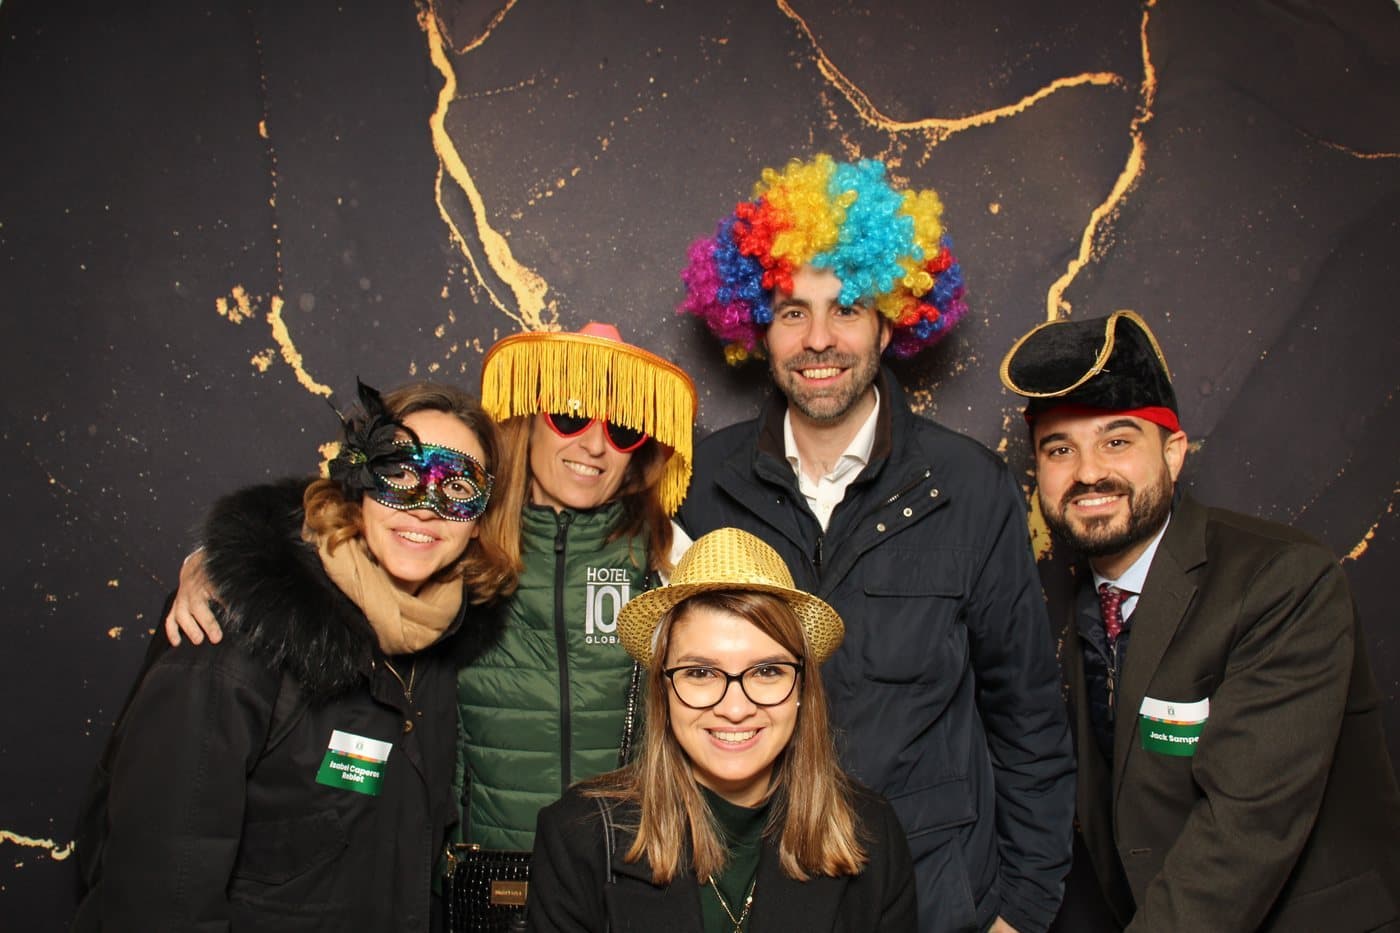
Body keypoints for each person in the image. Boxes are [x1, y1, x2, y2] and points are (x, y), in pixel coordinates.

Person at [676, 153, 1075, 933]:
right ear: (757, 324)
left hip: (937, 900)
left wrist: (1020, 914)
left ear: (891, 320)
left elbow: (1028, 718)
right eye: (792, 311)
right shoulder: (700, 483)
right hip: (753, 896)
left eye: (847, 307)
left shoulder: (970, 487)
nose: (818, 339)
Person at [164, 322, 698, 851]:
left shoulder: (665, 554)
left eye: (623, 429)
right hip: (475, 880)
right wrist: (219, 558)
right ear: (531, 421)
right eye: (572, 416)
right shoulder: (465, 530)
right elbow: (361, 510)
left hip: (619, 872)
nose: (594, 446)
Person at [999, 310, 1400, 932]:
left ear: (1174, 452)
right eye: (1059, 449)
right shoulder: (1077, 605)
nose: (1086, 473)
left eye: (1117, 441)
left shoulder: (1281, 580)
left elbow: (1247, 828)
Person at [73, 381, 516, 931]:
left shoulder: (437, 648)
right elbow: (155, 895)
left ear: (478, 520)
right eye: (399, 472)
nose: (426, 507)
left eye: (457, 487)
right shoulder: (234, 636)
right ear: (357, 482)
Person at [528, 527, 917, 932]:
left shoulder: (872, 834)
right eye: (700, 672)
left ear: (803, 688)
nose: (735, 708)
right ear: (663, 689)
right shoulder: (577, 836)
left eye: (767, 671)